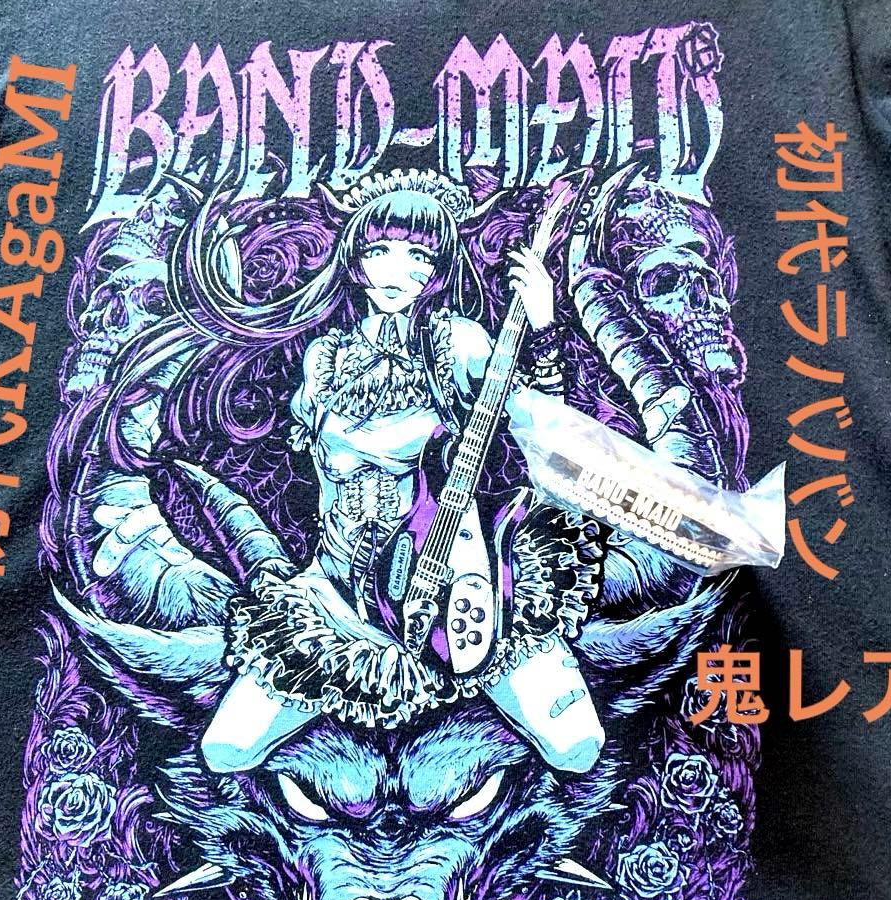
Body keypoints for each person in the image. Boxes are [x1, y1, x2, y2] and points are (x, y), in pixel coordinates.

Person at [174, 169, 609, 774]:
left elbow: (545, 430)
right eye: (380, 250)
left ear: (439, 267)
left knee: (576, 746)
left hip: (457, 581)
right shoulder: (324, 357)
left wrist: (542, 327)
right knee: (225, 749)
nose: (396, 272)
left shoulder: (457, 343)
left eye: (418, 256)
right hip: (337, 589)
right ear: (355, 258)